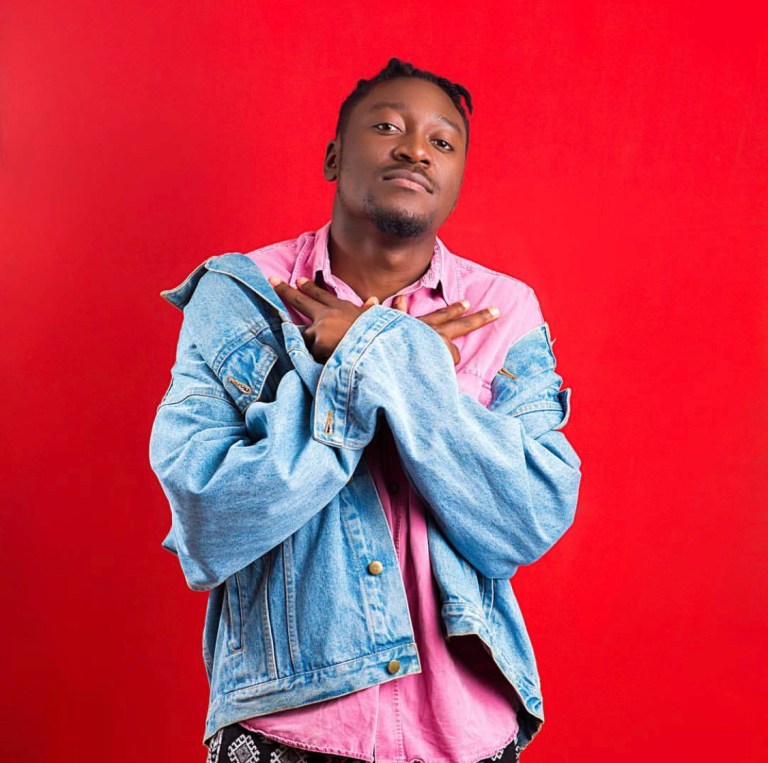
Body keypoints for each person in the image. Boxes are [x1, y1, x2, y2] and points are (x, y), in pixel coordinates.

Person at [149, 58, 582, 763]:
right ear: (333, 157)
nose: (415, 150)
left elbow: (526, 518)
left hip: (466, 728)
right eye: (387, 127)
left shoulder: (502, 309)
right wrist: (386, 363)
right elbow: (210, 517)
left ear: (457, 178)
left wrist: (374, 348)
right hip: (289, 723)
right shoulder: (243, 295)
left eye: (442, 142)